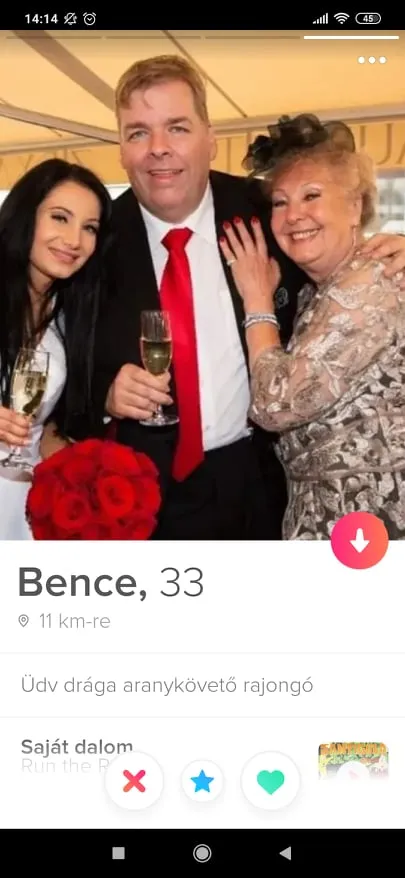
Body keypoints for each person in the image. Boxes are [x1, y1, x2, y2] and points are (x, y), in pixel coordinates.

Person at [90, 55, 405, 540]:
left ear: (210, 138)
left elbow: (337, 245)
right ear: (121, 149)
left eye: (177, 127)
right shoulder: (92, 243)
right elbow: (58, 361)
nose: (158, 149)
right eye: (138, 133)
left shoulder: (271, 211)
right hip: (145, 500)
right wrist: (104, 395)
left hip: (266, 490)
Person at [219, 113, 405, 539]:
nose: (293, 215)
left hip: (369, 525)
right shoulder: (315, 292)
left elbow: (275, 404)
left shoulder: (371, 281)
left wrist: (256, 300)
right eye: (280, 202)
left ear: (355, 206)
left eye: (312, 195)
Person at [0, 158, 111, 539]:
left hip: (21, 509)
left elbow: (45, 425)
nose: (74, 240)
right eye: (60, 218)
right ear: (25, 215)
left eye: (89, 228)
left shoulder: (66, 317)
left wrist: (93, 478)